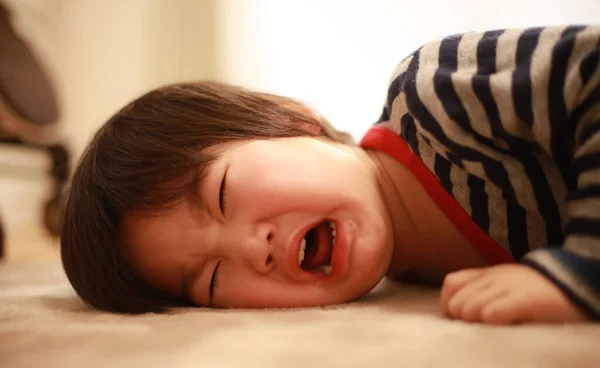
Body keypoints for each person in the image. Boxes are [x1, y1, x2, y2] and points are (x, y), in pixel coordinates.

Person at [61, 25, 600, 324]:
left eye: (223, 194)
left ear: (291, 118)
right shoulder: (412, 273)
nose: (254, 249)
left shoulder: (437, 94)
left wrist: (578, 270)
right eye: (213, 281)